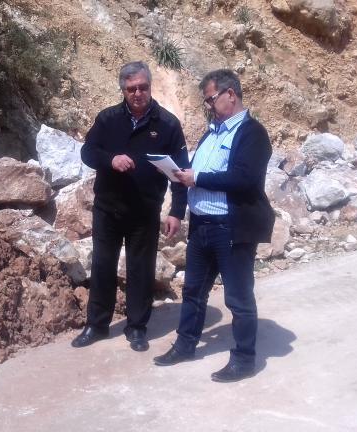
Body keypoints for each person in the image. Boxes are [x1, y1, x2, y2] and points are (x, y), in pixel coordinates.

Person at [152, 69, 275, 382]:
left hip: (231, 228)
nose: (208, 105)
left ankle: (245, 359)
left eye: (210, 99)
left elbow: (245, 178)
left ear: (230, 94)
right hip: (202, 226)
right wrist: (181, 180)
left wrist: (198, 178)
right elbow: (196, 173)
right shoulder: (212, 134)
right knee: (193, 290)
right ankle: (185, 345)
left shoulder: (253, 133)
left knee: (238, 297)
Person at [72, 61, 189, 352]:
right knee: (102, 265)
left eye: (143, 87)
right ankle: (97, 325)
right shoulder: (108, 119)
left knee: (141, 269)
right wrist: (110, 159)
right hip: (108, 209)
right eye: (131, 89)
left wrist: (176, 211)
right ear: (123, 90)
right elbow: (88, 151)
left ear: (150, 87)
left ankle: (137, 327)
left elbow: (180, 172)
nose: (138, 93)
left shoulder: (168, 124)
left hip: (144, 211)